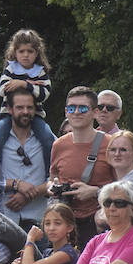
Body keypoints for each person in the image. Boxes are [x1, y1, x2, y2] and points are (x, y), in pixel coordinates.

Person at [49, 86, 116, 247]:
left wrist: (95, 192)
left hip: (98, 223)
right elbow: (52, 179)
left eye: (83, 108)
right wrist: (52, 187)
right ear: (66, 112)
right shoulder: (59, 145)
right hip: (64, 222)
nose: (76, 112)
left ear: (94, 112)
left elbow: (126, 187)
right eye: (72, 108)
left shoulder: (111, 144)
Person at [0, 83, 53, 229]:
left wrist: (29, 194)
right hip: (4, 220)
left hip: (40, 220)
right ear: (10, 109)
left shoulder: (48, 140)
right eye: (20, 107)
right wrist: (15, 184)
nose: (25, 112)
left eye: (30, 107)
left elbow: (57, 179)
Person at [0, 29, 55, 158]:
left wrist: (23, 84)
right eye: (21, 51)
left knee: (48, 139)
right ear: (15, 52)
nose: (26, 55)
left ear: (37, 53)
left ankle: (49, 173)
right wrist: (32, 86)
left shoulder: (40, 72)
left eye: (30, 51)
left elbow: (44, 94)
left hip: (35, 115)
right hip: (8, 115)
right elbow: (3, 90)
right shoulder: (10, 69)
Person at [13, 202, 80, 264]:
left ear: (69, 228)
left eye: (57, 223)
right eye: (47, 224)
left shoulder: (67, 253)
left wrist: (30, 239)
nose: (51, 228)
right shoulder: (48, 252)